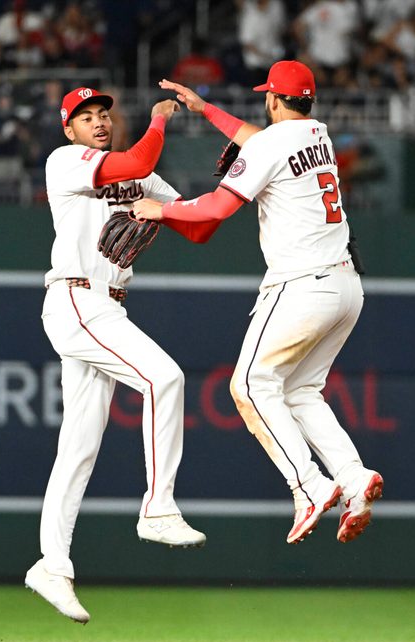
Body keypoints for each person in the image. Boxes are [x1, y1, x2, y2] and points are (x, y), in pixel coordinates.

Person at [132, 61, 384, 545]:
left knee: (249, 385)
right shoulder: (318, 135)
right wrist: (206, 110)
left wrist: (158, 209)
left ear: (272, 99)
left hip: (302, 286)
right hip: (346, 288)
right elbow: (260, 140)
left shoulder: (272, 143)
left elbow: (217, 208)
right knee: (302, 392)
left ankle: (308, 487)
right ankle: (353, 479)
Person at [25, 87, 206, 624]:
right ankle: (158, 508)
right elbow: (137, 159)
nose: (98, 122)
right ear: (69, 129)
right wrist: (157, 121)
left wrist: (240, 182)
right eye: (86, 117)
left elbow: (197, 222)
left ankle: (50, 565)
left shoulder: (138, 178)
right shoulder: (67, 162)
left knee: (78, 444)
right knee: (164, 379)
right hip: (78, 299)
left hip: (108, 305)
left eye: (103, 113)